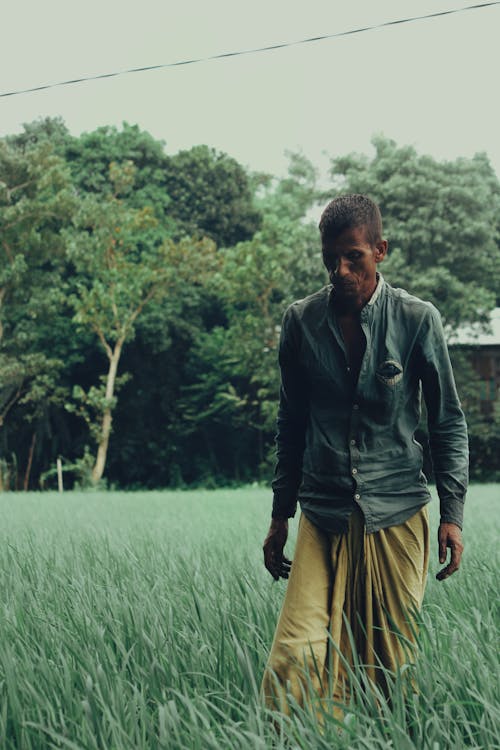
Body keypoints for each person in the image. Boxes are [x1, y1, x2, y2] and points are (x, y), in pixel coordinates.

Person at [260, 194, 468, 716]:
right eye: (331, 258)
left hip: (396, 511)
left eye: (353, 256)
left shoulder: (417, 320)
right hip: (323, 512)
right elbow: (292, 423)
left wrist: (453, 515)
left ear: (380, 251)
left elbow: (447, 422)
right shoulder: (301, 323)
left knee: (390, 665)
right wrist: (279, 516)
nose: (340, 270)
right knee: (294, 657)